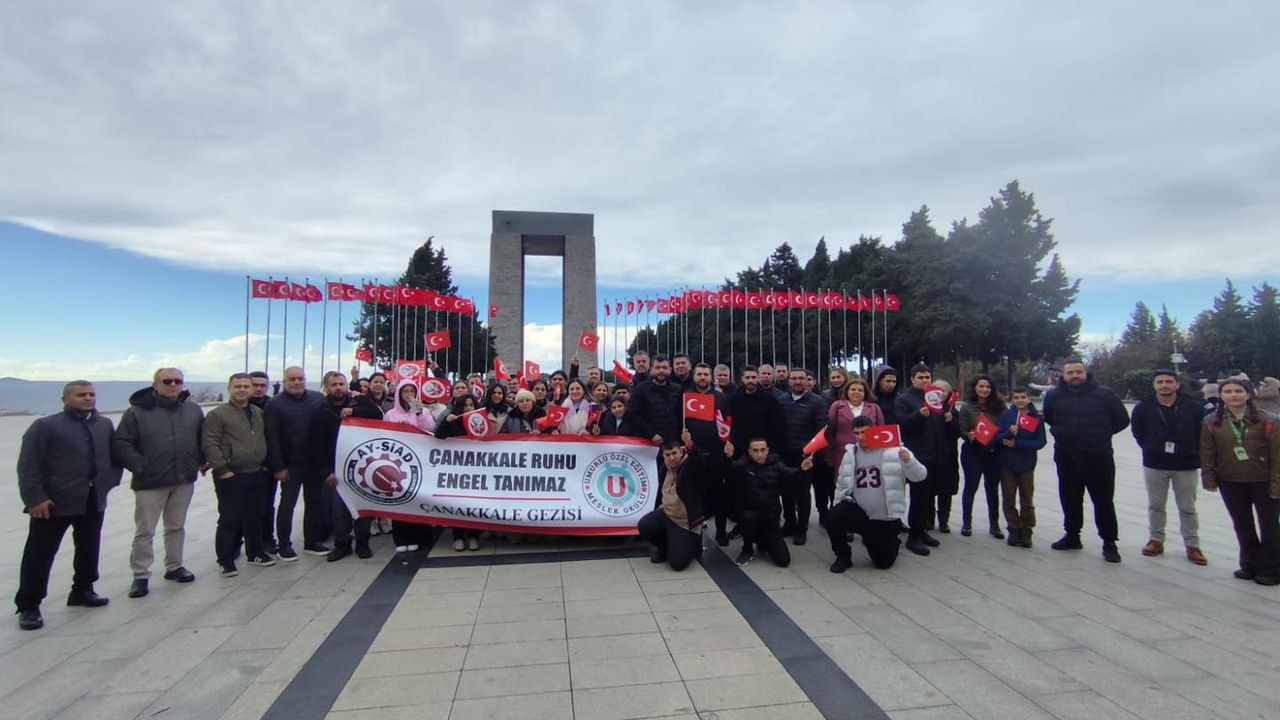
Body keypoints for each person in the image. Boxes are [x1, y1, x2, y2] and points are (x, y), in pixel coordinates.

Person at [15, 381, 121, 630]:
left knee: (88, 546)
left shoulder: (103, 424)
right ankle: (29, 605)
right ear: (65, 399)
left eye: (91, 394)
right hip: (54, 502)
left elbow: (114, 455)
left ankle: (83, 589)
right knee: (40, 552)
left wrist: (108, 482)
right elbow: (28, 465)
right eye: (81, 394)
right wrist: (35, 499)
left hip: (92, 498)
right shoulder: (45, 426)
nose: (88, 398)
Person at [112, 368, 205, 599]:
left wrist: (200, 460)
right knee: (145, 530)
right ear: (155, 385)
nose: (173, 385)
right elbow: (122, 443)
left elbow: (202, 437)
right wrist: (140, 466)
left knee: (176, 526)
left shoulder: (192, 410)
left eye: (177, 381)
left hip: (183, 478)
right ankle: (140, 575)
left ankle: (174, 566)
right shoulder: (137, 412)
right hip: (151, 481)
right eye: (167, 381)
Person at [1042, 357, 1130, 563]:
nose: (1075, 376)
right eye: (1070, 372)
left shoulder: (1104, 394)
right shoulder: (1053, 396)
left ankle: (1109, 542)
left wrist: (1101, 434)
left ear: (1085, 372)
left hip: (1098, 457)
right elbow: (1050, 418)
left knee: (1103, 500)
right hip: (1067, 456)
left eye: (1078, 372)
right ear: (1063, 375)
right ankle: (1072, 536)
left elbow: (1122, 420)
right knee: (1070, 498)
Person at [1201, 378, 1280, 585]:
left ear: (1249, 394)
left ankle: (1272, 569)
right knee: (1242, 525)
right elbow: (1207, 451)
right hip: (1230, 480)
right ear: (1221, 395)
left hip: (1263, 480)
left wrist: (1276, 484)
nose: (1233, 395)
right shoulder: (1212, 421)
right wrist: (1209, 478)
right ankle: (1250, 564)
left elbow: (1277, 455)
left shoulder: (1268, 420)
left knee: (1269, 526)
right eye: (1228, 391)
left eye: (1238, 391)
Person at [827, 416, 927, 573]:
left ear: (874, 431)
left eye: (864, 432)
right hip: (860, 513)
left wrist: (909, 461)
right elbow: (842, 483)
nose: (861, 437)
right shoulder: (851, 453)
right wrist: (837, 506)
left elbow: (920, 476)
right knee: (833, 516)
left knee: (883, 562)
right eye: (857, 433)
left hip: (883, 517)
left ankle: (892, 541)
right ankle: (843, 556)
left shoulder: (894, 450)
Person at [1130, 370, 1206, 565]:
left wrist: (1192, 451)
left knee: (1187, 507)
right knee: (1156, 505)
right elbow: (1138, 431)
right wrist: (1150, 447)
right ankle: (1156, 540)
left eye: (1169, 382)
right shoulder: (1143, 407)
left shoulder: (1193, 406)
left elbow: (1202, 432)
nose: (1164, 385)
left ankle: (1192, 544)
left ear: (1177, 384)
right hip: (1155, 463)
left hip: (1186, 464)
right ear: (1154, 385)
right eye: (1160, 382)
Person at [203, 373, 274, 577]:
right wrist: (222, 469)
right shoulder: (218, 414)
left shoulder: (258, 413)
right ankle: (225, 559)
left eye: (246, 386)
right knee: (230, 517)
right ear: (229, 388)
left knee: (255, 516)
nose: (242, 390)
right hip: (231, 474)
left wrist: (265, 465)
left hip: (257, 472)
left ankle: (255, 553)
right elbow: (210, 442)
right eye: (238, 386)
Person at [265, 366, 328, 560]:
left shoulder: (318, 399)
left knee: (314, 504)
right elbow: (272, 437)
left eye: (300, 378)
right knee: (287, 505)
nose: (297, 382)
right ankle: (284, 545)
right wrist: (279, 466)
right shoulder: (274, 404)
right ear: (285, 382)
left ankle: (311, 542)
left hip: (314, 464)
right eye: (292, 379)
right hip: (290, 465)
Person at [311, 371, 374, 562]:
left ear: (347, 385)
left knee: (362, 509)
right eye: (334, 384)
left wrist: (356, 412)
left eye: (341, 384)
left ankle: (363, 543)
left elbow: (378, 415)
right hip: (335, 470)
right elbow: (317, 446)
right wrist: (326, 472)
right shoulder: (320, 411)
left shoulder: (359, 403)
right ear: (326, 387)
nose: (338, 388)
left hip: (361, 467)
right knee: (338, 511)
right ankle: (342, 544)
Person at [894, 363, 952, 556]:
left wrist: (948, 418)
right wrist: (918, 415)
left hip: (936, 454)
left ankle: (922, 530)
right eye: (920, 377)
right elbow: (900, 426)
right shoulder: (904, 399)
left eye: (927, 377)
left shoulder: (935, 397)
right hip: (917, 456)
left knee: (928, 497)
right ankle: (914, 536)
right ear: (912, 379)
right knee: (918, 496)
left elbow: (940, 426)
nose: (925, 380)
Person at [728, 438, 804, 567]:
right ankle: (747, 549)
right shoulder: (743, 465)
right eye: (755, 450)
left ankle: (764, 542)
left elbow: (793, 475)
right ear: (749, 452)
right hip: (750, 514)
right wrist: (727, 458)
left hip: (770, 517)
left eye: (763, 450)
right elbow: (728, 470)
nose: (760, 454)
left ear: (767, 450)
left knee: (783, 560)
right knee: (748, 517)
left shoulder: (777, 465)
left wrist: (803, 470)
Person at [636, 437, 707, 571]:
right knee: (645, 525)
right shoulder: (665, 468)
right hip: (667, 514)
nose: (671, 458)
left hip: (686, 524)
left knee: (677, 563)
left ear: (681, 451)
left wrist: (691, 446)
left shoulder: (689, 466)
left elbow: (698, 464)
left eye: (674, 453)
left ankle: (695, 543)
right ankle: (663, 548)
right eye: (667, 455)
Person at [382, 382, 435, 552]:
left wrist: (419, 413)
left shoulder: (424, 411)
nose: (409, 394)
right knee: (400, 498)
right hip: (398, 463)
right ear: (399, 393)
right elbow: (384, 436)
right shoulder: (390, 414)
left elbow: (431, 429)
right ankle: (401, 538)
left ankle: (418, 536)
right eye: (406, 391)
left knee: (417, 497)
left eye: (412, 391)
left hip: (419, 461)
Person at [685, 363, 734, 545]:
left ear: (711, 377)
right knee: (695, 495)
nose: (702, 377)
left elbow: (729, 421)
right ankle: (695, 533)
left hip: (716, 453)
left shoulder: (722, 398)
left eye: (706, 374)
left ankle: (721, 532)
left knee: (719, 494)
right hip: (694, 452)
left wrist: (729, 442)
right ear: (694, 376)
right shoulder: (686, 397)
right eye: (699, 374)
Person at [993, 387, 1047, 547]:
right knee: (1008, 497)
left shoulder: (1036, 417)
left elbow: (1040, 442)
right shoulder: (1006, 415)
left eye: (1023, 397)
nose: (1020, 400)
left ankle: (1026, 529)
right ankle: (1013, 528)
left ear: (1029, 399)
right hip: (1007, 464)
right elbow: (997, 437)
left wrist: (1018, 443)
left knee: (1027, 498)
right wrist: (1008, 434)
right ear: (1012, 400)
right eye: (1016, 398)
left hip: (1026, 464)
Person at [779, 368, 827, 544]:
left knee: (802, 494)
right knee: (786, 493)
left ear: (808, 381)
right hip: (784, 455)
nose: (798, 381)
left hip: (805, 456)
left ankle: (802, 529)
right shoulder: (781, 400)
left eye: (801, 378)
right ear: (789, 380)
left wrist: (811, 453)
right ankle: (789, 523)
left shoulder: (817, 402)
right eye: (794, 378)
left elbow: (822, 430)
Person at [957, 374, 1006, 539]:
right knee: (971, 487)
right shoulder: (967, 406)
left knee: (992, 489)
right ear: (975, 388)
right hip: (973, 452)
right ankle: (966, 523)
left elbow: (1005, 425)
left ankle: (994, 524)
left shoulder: (999, 406)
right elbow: (962, 428)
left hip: (993, 452)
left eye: (988, 387)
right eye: (981, 386)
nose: (985, 390)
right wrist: (968, 435)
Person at [434, 395, 483, 551]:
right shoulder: (453, 420)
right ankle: (458, 536)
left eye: (471, 405)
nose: (468, 408)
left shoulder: (479, 421)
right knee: (458, 504)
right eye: (465, 405)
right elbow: (439, 436)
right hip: (457, 472)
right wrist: (446, 421)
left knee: (475, 504)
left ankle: (474, 535)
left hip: (476, 470)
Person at [825, 376, 885, 498]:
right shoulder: (837, 407)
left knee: (865, 489)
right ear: (847, 391)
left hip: (868, 455)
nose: (856, 392)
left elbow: (880, 432)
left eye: (860, 390)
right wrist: (828, 456)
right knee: (844, 488)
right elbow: (829, 433)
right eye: (853, 389)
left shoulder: (874, 408)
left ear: (865, 392)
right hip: (842, 455)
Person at [247, 370, 277, 554]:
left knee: (266, 505)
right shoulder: (239, 406)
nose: (258, 389)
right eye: (254, 385)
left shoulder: (273, 406)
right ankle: (237, 542)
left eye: (262, 385)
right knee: (240, 508)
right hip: (241, 467)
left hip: (267, 465)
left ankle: (267, 538)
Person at [728, 366, 786, 458]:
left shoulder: (769, 400)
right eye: (747, 377)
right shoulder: (734, 399)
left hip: (762, 449)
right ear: (742, 379)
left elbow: (777, 426)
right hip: (740, 449)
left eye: (753, 377)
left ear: (758, 378)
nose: (750, 380)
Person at [628, 355, 683, 447]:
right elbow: (633, 414)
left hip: (673, 441)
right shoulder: (641, 389)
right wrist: (651, 434)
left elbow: (680, 415)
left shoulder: (677, 389)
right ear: (651, 370)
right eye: (657, 367)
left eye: (664, 367)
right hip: (650, 442)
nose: (661, 370)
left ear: (670, 370)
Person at [929, 379, 962, 534]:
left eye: (943, 391)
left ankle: (944, 521)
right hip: (930, 455)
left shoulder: (952, 410)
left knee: (945, 491)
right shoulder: (927, 408)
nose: (940, 394)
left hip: (947, 457)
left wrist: (950, 422)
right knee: (928, 491)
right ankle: (928, 520)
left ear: (949, 394)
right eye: (936, 390)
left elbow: (958, 433)